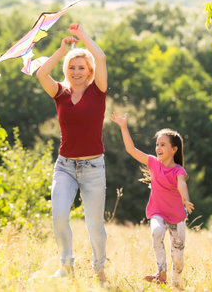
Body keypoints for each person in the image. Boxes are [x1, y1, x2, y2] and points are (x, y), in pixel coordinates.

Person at [36, 23, 108, 282]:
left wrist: (81, 36)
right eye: (71, 67)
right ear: (66, 70)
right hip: (64, 166)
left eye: (81, 67)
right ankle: (66, 266)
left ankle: (99, 269)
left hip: (93, 168)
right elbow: (42, 74)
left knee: (94, 225)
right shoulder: (60, 93)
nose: (76, 72)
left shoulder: (98, 92)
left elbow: (100, 56)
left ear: (89, 71)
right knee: (58, 216)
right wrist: (61, 51)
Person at [111, 112, 194, 288]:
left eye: (163, 144)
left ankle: (176, 285)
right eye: (157, 144)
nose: (158, 147)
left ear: (174, 149)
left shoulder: (178, 170)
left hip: (177, 216)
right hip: (157, 212)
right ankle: (161, 272)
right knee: (156, 232)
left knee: (178, 257)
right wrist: (124, 127)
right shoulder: (153, 163)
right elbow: (131, 150)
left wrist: (186, 200)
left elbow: (181, 184)